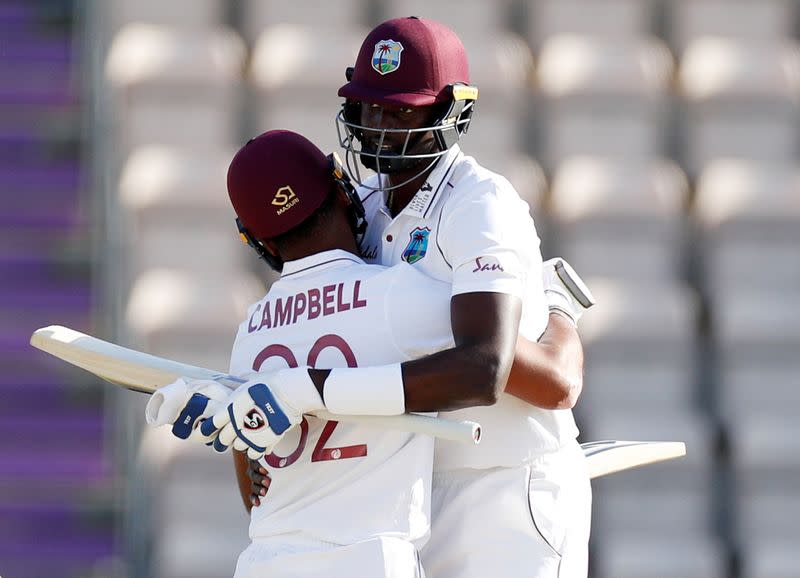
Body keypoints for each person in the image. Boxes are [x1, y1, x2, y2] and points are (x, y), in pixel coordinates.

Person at [244, 16, 594, 578]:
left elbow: (485, 370)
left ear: (453, 112)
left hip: (505, 483)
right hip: (410, 488)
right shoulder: (359, 200)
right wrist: (266, 441)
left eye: (402, 111)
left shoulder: (481, 204)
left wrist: (315, 391)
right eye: (368, 108)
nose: (380, 128)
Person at [149, 129, 459, 577]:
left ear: (259, 241)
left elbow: (253, 488)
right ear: (340, 187)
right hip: (368, 558)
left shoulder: (252, 329)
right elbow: (489, 357)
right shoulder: (397, 294)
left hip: (266, 561)